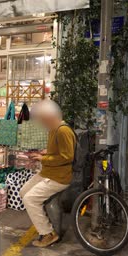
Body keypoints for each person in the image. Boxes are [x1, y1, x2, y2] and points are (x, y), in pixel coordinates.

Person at [20, 100, 75, 248]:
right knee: (23, 192)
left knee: (30, 199)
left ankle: (48, 233)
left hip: (59, 177)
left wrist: (43, 158)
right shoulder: (53, 129)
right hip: (48, 172)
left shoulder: (63, 130)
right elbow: (57, 151)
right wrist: (43, 153)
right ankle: (43, 223)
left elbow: (67, 157)